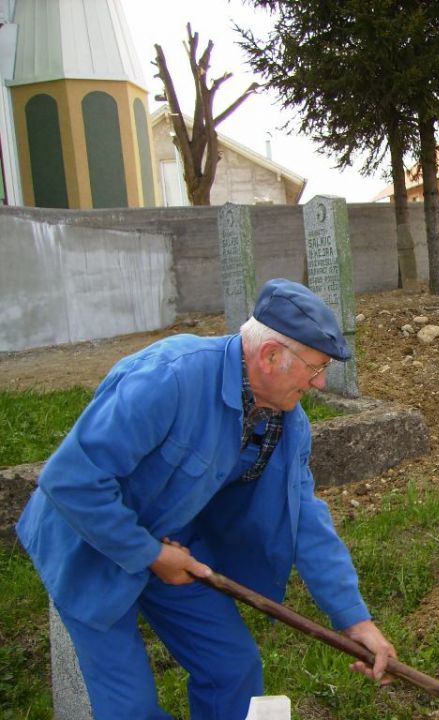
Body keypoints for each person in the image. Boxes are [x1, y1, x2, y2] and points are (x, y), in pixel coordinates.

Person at [16, 278, 396, 720]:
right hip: (90, 543)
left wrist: (355, 620)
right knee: (129, 708)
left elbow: (305, 520)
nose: (320, 383)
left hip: (170, 543)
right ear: (271, 356)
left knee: (232, 668)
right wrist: (148, 553)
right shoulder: (169, 378)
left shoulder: (285, 424)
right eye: (315, 369)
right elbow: (70, 480)